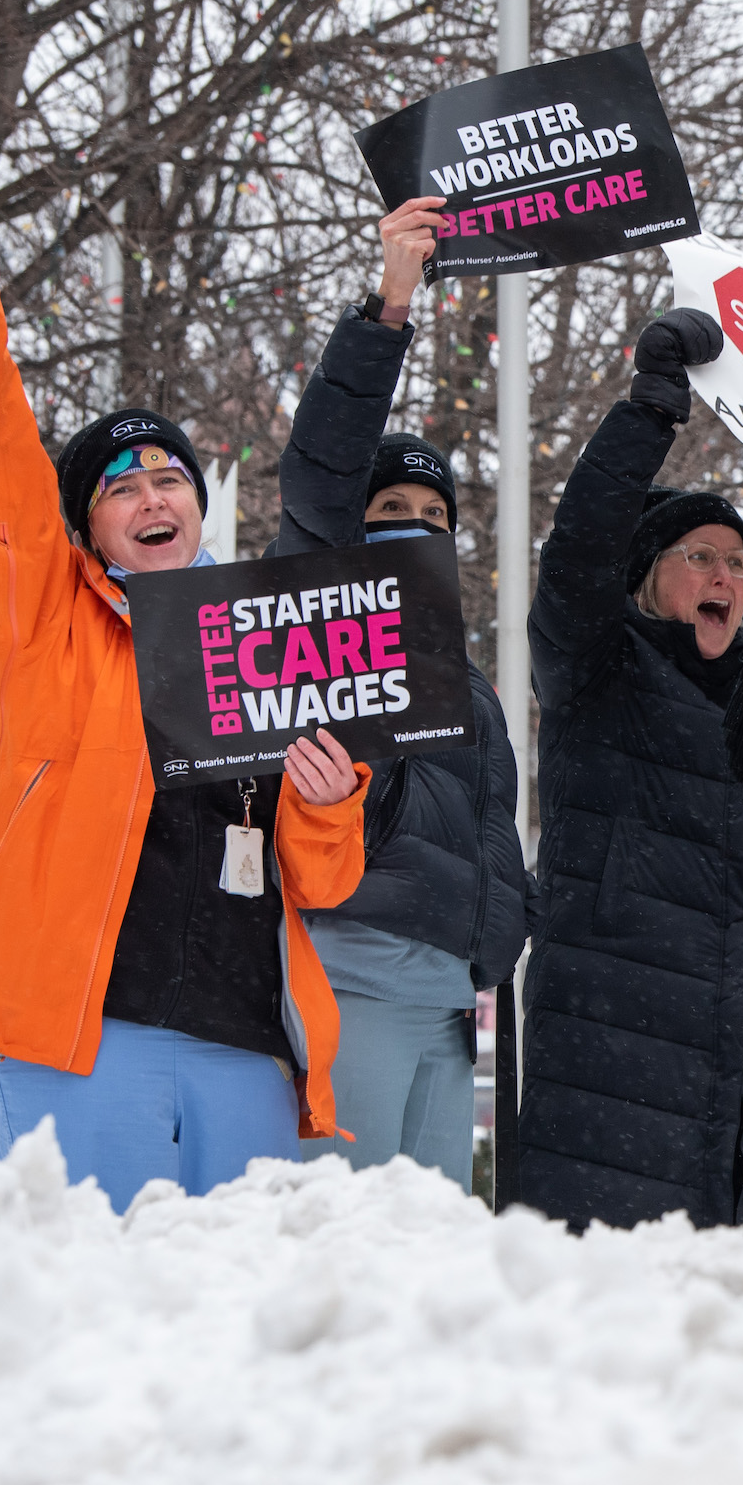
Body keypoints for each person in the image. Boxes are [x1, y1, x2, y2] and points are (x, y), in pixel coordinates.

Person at [0, 184, 370, 1206]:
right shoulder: (45, 620)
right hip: (77, 1037)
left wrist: (330, 802)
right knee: (88, 1290)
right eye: (120, 486)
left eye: (169, 480)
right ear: (86, 529)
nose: (152, 496)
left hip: (244, 1046)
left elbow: (322, 882)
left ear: (198, 505)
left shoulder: (266, 644)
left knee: (232, 1297)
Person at [508, 308, 743, 1258]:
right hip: (614, 1079)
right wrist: (649, 409)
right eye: (701, 556)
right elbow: (578, 555)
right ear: (647, 575)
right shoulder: (594, 667)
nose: (727, 575)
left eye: (739, 562)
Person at [268, 195, 529, 1189]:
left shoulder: (469, 682)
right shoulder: (326, 626)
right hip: (352, 980)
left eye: (433, 512)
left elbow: (487, 830)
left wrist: (506, 928)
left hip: (448, 1001)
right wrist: (389, 304)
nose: (415, 523)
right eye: (389, 506)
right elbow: (322, 470)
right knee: (346, 1244)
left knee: (430, 1255)